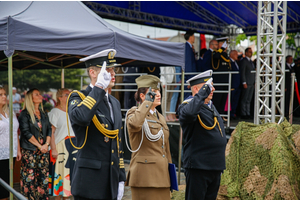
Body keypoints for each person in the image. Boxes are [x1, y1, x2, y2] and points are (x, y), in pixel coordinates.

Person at [67, 49, 126, 200]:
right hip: (90, 183)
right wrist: (99, 87)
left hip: (110, 181)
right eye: (108, 70)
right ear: (93, 73)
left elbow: (117, 145)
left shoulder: (114, 102)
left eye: (114, 70)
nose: (113, 74)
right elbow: (81, 117)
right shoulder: (78, 97)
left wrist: (120, 177)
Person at [177, 70, 227, 200]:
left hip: (214, 166)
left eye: (211, 86)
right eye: (208, 87)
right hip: (199, 167)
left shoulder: (210, 106)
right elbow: (189, 114)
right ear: (196, 89)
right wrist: (202, 94)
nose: (212, 89)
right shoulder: (187, 106)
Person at [125, 75, 172, 200]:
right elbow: (134, 124)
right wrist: (146, 103)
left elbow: (166, 150)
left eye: (159, 91)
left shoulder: (160, 117)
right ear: (142, 96)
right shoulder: (133, 113)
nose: (158, 95)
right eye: (154, 92)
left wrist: (171, 177)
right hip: (145, 178)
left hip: (163, 177)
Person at [18, 88, 52, 199]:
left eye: (40, 94)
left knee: (43, 178)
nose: (40, 96)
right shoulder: (25, 114)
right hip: (30, 151)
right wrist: (39, 146)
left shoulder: (43, 114)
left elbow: (49, 130)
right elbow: (26, 132)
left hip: (43, 151)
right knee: (29, 179)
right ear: (30, 98)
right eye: (36, 94)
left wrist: (46, 144)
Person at [48, 88, 76, 200]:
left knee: (70, 175)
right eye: (66, 94)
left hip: (73, 147)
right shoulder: (54, 112)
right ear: (59, 97)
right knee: (60, 174)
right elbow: (51, 132)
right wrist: (53, 149)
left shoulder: (72, 110)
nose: (69, 96)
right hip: (61, 147)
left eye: (70, 94)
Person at [0, 87, 21, 200]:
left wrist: (18, 149)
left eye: (4, 94)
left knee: (9, 186)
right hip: (1, 154)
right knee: (2, 188)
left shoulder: (9, 111)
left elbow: (14, 131)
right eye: (0, 94)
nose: (4, 96)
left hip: (11, 153)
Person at [240, 47, 256, 119]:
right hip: (247, 82)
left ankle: (248, 113)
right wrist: (244, 82)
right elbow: (242, 72)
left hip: (251, 82)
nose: (251, 53)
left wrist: (255, 82)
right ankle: (243, 113)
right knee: (244, 98)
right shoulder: (244, 60)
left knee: (249, 99)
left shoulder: (251, 61)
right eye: (249, 52)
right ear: (246, 53)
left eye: (251, 52)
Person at [184, 30, 197, 99]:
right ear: (191, 37)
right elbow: (188, 63)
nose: (194, 38)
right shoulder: (187, 47)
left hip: (190, 76)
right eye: (194, 36)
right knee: (187, 97)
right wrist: (190, 79)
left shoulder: (189, 47)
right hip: (188, 77)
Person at [229, 50, 242, 119]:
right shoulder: (229, 62)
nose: (237, 55)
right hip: (233, 84)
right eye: (236, 54)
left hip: (237, 84)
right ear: (232, 54)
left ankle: (233, 113)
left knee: (235, 100)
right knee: (231, 99)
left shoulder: (236, 62)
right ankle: (230, 113)